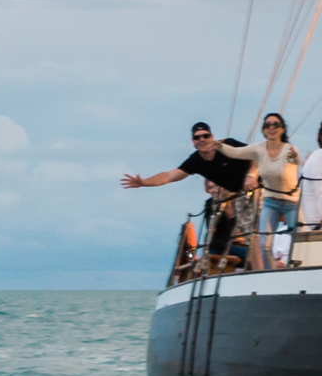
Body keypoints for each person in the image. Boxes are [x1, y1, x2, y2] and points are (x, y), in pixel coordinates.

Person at [121, 124, 252, 272]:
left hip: (254, 189)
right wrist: (144, 182)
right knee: (223, 248)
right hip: (233, 201)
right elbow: (170, 176)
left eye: (205, 136)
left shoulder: (228, 145)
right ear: (193, 141)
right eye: (197, 137)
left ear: (212, 137)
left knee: (255, 240)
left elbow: (256, 154)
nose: (202, 139)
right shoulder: (196, 161)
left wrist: (251, 175)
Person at [250, 113, 302, 263]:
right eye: (268, 125)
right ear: (263, 129)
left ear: (283, 129)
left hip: (290, 202)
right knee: (264, 244)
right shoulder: (260, 151)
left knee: (297, 241)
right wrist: (220, 147)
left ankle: (294, 270)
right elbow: (242, 154)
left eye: (275, 125)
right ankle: (269, 274)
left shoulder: (290, 150)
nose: (271, 128)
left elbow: (297, 160)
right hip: (270, 201)